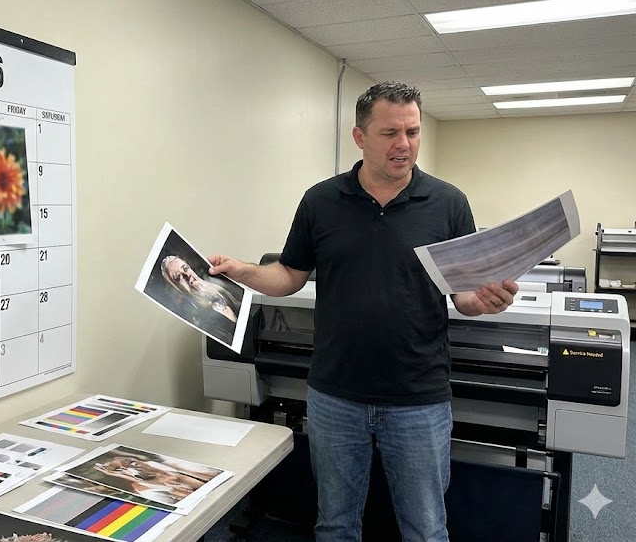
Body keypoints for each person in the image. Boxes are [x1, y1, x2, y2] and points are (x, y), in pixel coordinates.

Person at [208, 81, 519, 542]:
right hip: (336, 395)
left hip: (419, 396)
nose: (404, 144)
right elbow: (291, 275)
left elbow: (464, 297)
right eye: (390, 132)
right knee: (335, 525)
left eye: (413, 132)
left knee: (427, 529)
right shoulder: (321, 200)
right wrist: (242, 271)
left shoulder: (449, 203)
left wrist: (486, 301)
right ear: (359, 137)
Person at [160, 255, 240, 344]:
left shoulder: (218, 286)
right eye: (179, 276)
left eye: (186, 268)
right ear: (177, 287)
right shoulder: (196, 317)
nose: (187, 275)